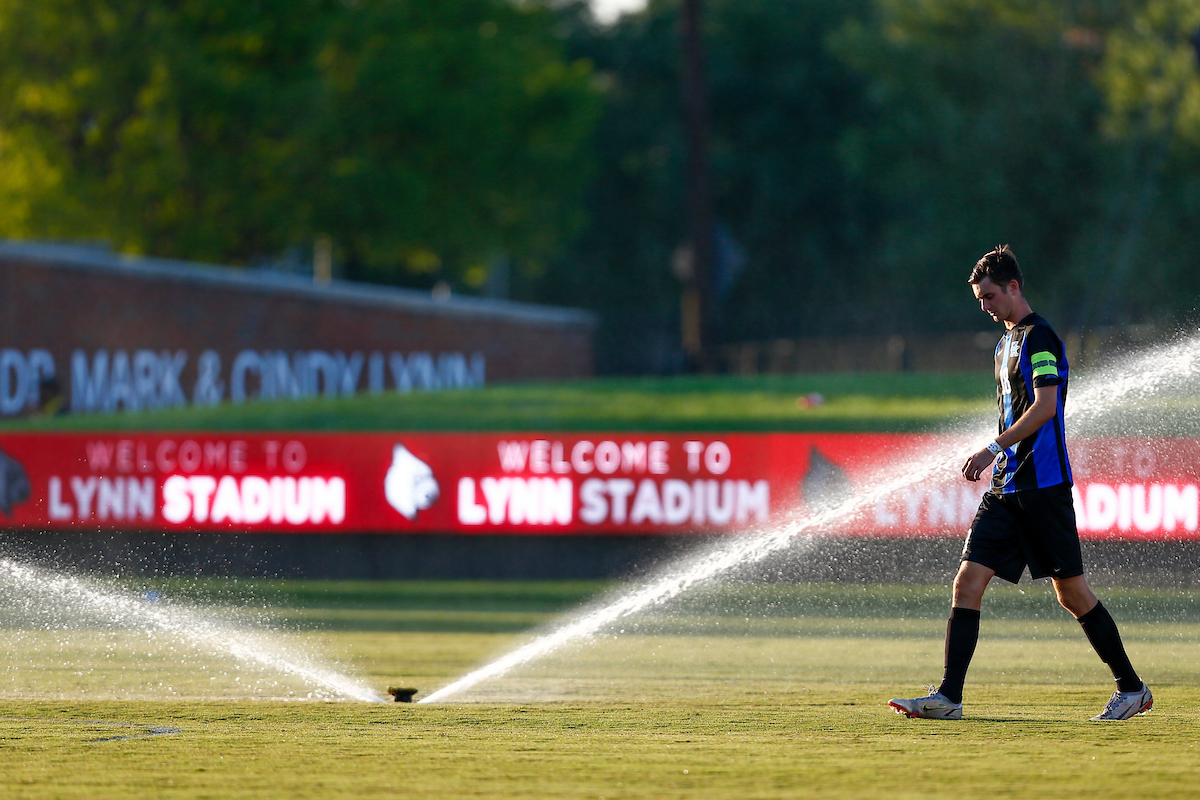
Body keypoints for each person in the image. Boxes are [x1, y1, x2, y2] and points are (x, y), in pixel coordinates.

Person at [888, 244, 1152, 722]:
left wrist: (992, 448)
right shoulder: (1003, 344)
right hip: (1005, 491)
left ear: (1013, 287)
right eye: (979, 300)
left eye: (989, 296)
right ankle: (949, 697)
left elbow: (1046, 407)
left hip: (1043, 487)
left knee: (1072, 593)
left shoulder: (1041, 337)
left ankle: (1132, 689)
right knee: (967, 583)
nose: (985, 306)